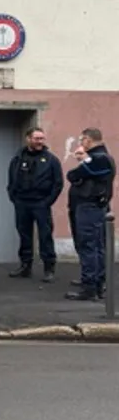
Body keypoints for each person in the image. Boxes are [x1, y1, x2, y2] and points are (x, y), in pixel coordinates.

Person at [7, 127, 63, 282]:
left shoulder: (51, 160)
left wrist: (48, 201)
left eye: (42, 138)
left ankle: (49, 268)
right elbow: (11, 179)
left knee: (45, 236)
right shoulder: (18, 158)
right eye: (37, 138)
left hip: (41, 203)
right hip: (22, 202)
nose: (40, 142)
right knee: (24, 235)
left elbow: (58, 183)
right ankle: (25, 266)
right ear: (28, 139)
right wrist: (14, 197)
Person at [65, 128, 115, 302]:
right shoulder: (97, 158)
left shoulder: (99, 158)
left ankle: (90, 287)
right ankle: (96, 283)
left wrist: (83, 161)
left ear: (88, 139)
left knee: (89, 246)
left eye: (82, 140)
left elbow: (75, 174)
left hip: (90, 206)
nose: (80, 144)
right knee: (96, 246)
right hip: (91, 206)